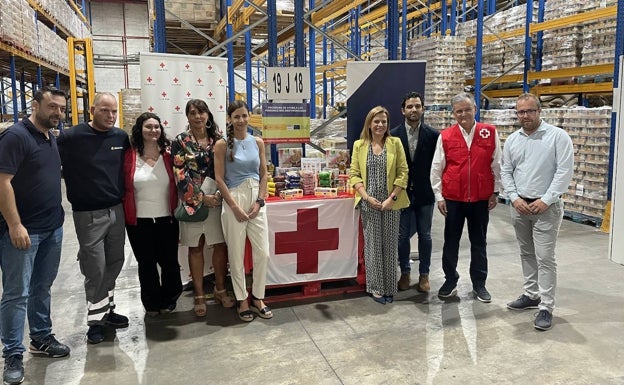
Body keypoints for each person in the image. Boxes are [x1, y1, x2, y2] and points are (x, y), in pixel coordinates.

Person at [0, 87, 70, 385]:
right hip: (24, 230)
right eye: (53, 107)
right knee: (17, 294)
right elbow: (2, 182)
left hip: (52, 226)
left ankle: (40, 338)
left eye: (61, 109)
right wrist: (15, 225)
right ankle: (13, 354)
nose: (58, 113)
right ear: (36, 104)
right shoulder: (16, 136)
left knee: (42, 286)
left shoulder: (48, 136)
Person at [57, 92, 130, 344]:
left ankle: (106, 310)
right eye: (104, 111)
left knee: (115, 261)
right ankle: (95, 322)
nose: (110, 116)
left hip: (116, 211)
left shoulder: (120, 137)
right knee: (95, 268)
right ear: (92, 110)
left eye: (114, 112)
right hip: (88, 214)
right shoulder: (71, 137)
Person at [501, 93, 574, 331]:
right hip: (520, 207)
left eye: (530, 111)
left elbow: (564, 172)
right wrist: (513, 198)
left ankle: (546, 307)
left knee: (545, 257)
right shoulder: (513, 140)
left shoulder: (557, 137)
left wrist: (547, 199)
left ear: (539, 111)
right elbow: (506, 171)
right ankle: (531, 295)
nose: (525, 116)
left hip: (547, 209)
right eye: (521, 112)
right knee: (526, 253)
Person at [430, 92, 501, 302]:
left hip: (480, 198)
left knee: (479, 242)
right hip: (453, 198)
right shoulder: (446, 136)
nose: (463, 114)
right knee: (450, 242)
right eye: (459, 111)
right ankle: (450, 279)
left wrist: (495, 191)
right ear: (453, 113)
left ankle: (479, 284)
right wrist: (439, 196)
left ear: (475, 109)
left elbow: (497, 164)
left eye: (467, 109)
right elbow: (436, 168)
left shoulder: (489, 132)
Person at [172, 99, 234, 317]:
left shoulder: (219, 139)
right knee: (196, 247)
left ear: (208, 115)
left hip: (218, 199)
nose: (198, 116)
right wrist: (200, 197)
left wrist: (219, 194)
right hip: (193, 204)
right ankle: (199, 295)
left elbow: (227, 169)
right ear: (187, 116)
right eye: (193, 112)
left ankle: (220, 289)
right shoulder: (180, 141)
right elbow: (179, 173)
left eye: (202, 112)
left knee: (220, 245)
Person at [214, 100, 272, 322]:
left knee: (263, 253)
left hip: (256, 198)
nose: (241, 120)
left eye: (244, 116)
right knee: (236, 256)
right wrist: (234, 207)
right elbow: (219, 178)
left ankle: (258, 296)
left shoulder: (257, 142)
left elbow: (264, 173)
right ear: (229, 119)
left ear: (249, 117)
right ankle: (242, 299)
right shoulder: (222, 145)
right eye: (236, 116)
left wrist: (259, 201)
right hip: (234, 199)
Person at [123, 112, 182, 316]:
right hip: (139, 222)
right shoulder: (130, 156)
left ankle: (170, 298)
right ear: (140, 130)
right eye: (148, 127)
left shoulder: (169, 156)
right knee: (146, 264)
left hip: (167, 218)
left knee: (169, 261)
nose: (153, 130)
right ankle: (151, 302)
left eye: (156, 127)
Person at [350, 105, 409, 304]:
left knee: (390, 246)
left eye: (384, 121)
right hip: (369, 204)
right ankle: (376, 287)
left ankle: (390, 287)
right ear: (369, 123)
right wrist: (366, 197)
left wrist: (391, 199)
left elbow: (403, 172)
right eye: (376, 121)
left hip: (391, 203)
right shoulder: (359, 145)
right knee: (373, 246)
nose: (380, 125)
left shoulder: (395, 143)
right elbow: (354, 174)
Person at [390, 92, 439, 292]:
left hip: (426, 194)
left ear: (423, 109)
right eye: (410, 106)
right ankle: (405, 272)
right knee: (402, 236)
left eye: (417, 106)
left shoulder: (434, 136)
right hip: (401, 193)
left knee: (425, 236)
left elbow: (438, 166)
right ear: (403, 110)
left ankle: (424, 275)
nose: (414, 110)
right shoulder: (393, 136)